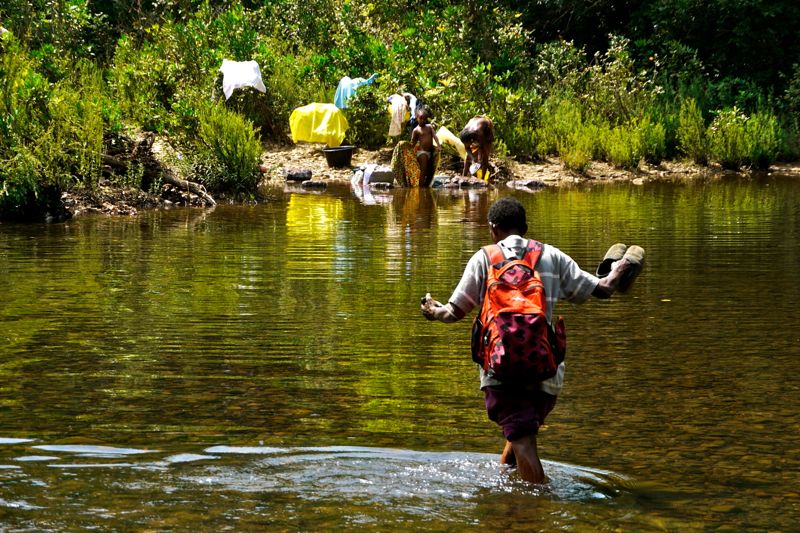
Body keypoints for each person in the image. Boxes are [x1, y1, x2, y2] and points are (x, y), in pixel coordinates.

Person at [420, 196, 642, 484]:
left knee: (522, 439)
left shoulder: (484, 258)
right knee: (520, 432)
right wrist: (623, 267)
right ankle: (506, 482)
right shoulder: (552, 256)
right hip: (545, 371)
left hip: (501, 372)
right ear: (524, 227)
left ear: (492, 228)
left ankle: (538, 507)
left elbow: (453, 313)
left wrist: (432, 310)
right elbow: (601, 290)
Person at [410, 104, 441, 184]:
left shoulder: (429, 127)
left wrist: (439, 146)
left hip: (431, 152)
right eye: (420, 118)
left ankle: (425, 188)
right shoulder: (416, 130)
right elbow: (413, 142)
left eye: (424, 119)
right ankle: (420, 189)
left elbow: (435, 136)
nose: (422, 120)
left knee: (430, 171)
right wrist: (409, 150)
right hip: (422, 152)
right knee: (423, 170)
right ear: (417, 118)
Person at [459, 115, 494, 180]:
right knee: (468, 157)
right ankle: (464, 176)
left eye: (468, 143)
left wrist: (479, 160)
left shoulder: (479, 134)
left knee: (485, 155)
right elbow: (467, 148)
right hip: (476, 126)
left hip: (487, 128)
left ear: (471, 139)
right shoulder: (465, 133)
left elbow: (482, 148)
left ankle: (483, 179)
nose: (467, 145)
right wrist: (473, 159)